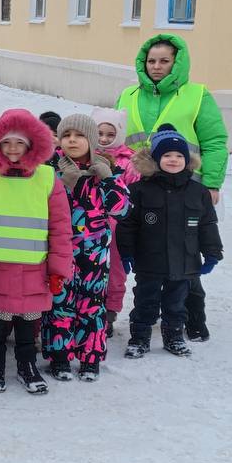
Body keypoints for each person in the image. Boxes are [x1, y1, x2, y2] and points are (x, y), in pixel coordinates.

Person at [116, 34, 229, 343]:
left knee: (185, 256)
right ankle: (148, 313)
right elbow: (115, 139)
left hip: (185, 187)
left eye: (164, 61)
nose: (156, 66)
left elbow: (214, 141)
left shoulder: (197, 95)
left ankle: (193, 319)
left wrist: (212, 182)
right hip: (140, 188)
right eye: (151, 61)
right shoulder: (128, 95)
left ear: (177, 64)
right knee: (150, 254)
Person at [0, 109, 74, 395]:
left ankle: (27, 365)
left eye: (20, 142)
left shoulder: (47, 177)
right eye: (6, 142)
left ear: (32, 144)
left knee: (29, 321)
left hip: (35, 266)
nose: (12, 148)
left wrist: (58, 268)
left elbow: (60, 227)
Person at [118, 127, 223, 359]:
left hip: (184, 260)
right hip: (149, 260)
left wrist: (212, 253)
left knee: (176, 303)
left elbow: (207, 225)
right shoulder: (139, 190)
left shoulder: (198, 192)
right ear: (156, 159)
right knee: (145, 301)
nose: (173, 160)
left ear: (187, 160)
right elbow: (128, 224)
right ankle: (139, 338)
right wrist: (127, 253)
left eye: (178, 155)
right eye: (166, 155)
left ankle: (173, 337)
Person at [40, 115, 130, 383]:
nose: (72, 140)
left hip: (94, 253)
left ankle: (90, 358)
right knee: (59, 304)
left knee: (91, 306)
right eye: (66, 135)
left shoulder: (106, 170)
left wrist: (107, 179)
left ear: (90, 140)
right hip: (59, 249)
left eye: (79, 136)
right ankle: (59, 357)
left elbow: (122, 209)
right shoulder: (50, 170)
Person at [92, 106, 139, 334]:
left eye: (110, 134)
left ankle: (109, 313)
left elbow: (133, 196)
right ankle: (87, 309)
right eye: (99, 133)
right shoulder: (85, 155)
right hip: (87, 227)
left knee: (115, 272)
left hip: (116, 229)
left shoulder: (128, 162)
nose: (104, 139)